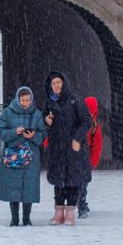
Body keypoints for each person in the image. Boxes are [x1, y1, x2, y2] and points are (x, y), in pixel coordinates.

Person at [42, 81, 93, 225]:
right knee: (58, 180)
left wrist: (77, 138)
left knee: (73, 180)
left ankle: (70, 213)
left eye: (59, 82)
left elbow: (87, 121)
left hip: (73, 147)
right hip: (57, 147)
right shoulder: (50, 103)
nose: (56, 85)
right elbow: (43, 121)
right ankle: (58, 213)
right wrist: (46, 121)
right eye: (53, 83)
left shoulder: (75, 100)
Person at [0, 86, 46, 227]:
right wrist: (14, 132)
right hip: (13, 155)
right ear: (17, 99)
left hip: (32, 157)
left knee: (29, 187)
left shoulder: (37, 114)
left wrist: (33, 136)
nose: (25, 103)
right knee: (13, 186)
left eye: (28, 100)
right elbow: (0, 132)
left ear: (31, 100)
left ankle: (26, 218)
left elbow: (43, 134)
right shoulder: (7, 113)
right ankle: (14, 218)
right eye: (23, 100)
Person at [80, 95, 102, 218]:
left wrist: (93, 162)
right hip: (78, 155)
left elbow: (97, 146)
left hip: (83, 156)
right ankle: (81, 203)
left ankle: (81, 203)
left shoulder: (94, 126)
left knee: (83, 182)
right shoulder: (92, 125)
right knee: (81, 182)